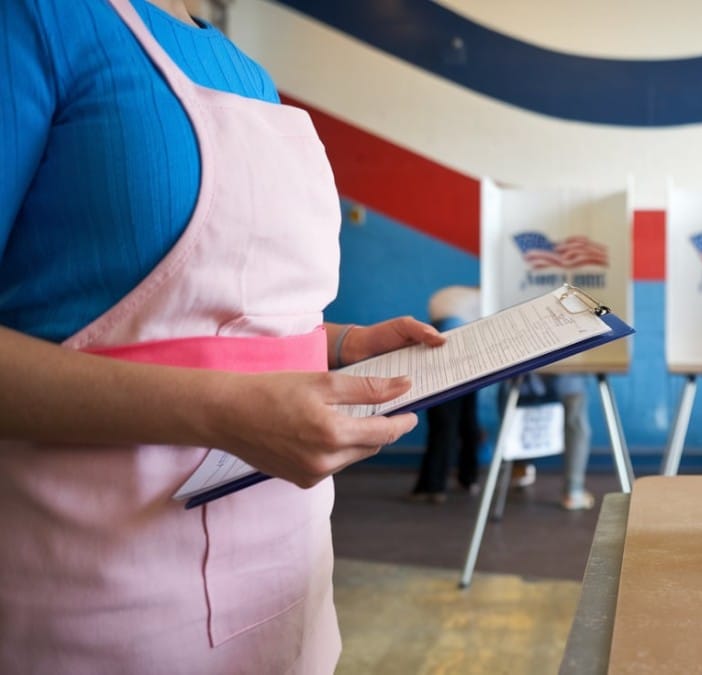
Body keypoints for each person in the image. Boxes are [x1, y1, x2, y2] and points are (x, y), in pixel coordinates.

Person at [0, 0, 443, 671]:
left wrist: (341, 344)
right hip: (105, 606)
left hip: (290, 585)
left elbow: (217, 316)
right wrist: (221, 412)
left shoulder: (247, 76)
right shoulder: (34, 21)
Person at [411, 286, 482, 503]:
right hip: (471, 364)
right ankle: (468, 478)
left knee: (443, 425)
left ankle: (433, 486)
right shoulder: (481, 301)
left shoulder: (444, 296)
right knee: (466, 423)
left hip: (440, 361)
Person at [505, 373, 595, 511]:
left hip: (525, 377)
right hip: (568, 375)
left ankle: (519, 470)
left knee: (515, 411)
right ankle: (573, 491)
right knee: (576, 423)